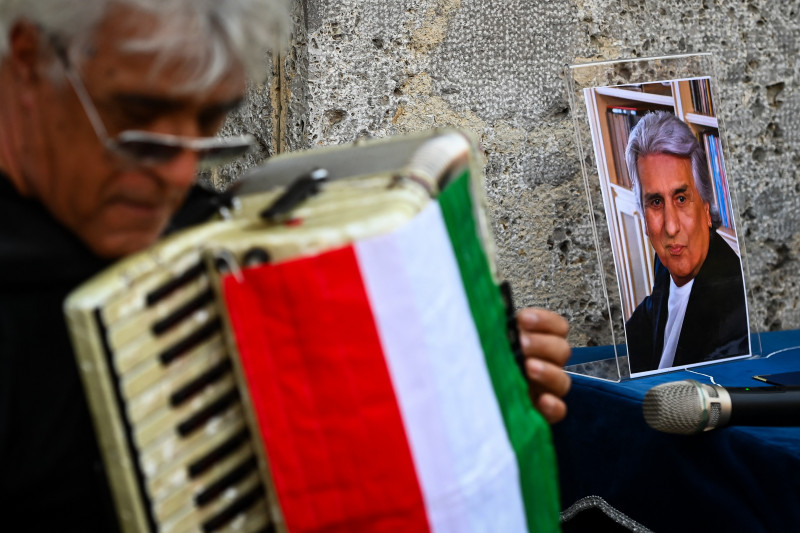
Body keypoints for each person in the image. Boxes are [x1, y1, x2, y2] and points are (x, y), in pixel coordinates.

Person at [0, 1, 571, 530]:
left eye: (209, 123)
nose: (178, 175)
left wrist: (470, 374)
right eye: (139, 121)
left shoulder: (212, 233)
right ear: (28, 59)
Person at [624, 111, 748, 374]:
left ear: (706, 208)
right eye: (656, 202)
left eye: (681, 198)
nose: (670, 227)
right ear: (644, 219)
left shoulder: (736, 314)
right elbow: (653, 311)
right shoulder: (667, 258)